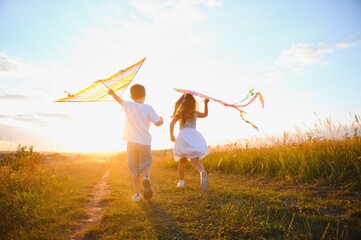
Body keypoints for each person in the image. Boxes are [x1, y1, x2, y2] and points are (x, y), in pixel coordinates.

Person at [108, 84, 164, 202]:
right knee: (145, 164)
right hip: (144, 142)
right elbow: (158, 123)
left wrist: (112, 93)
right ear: (145, 95)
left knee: (134, 169)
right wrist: (161, 120)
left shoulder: (129, 105)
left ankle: (137, 195)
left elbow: (119, 101)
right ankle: (147, 178)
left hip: (131, 142)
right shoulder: (148, 107)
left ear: (131, 96)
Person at [169, 94, 209, 191]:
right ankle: (202, 171)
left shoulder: (180, 113)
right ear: (193, 103)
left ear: (182, 102)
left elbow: (172, 124)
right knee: (195, 162)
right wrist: (205, 103)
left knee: (182, 161)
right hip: (194, 136)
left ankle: (181, 182)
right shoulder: (194, 113)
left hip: (183, 137)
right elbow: (205, 114)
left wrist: (172, 135)